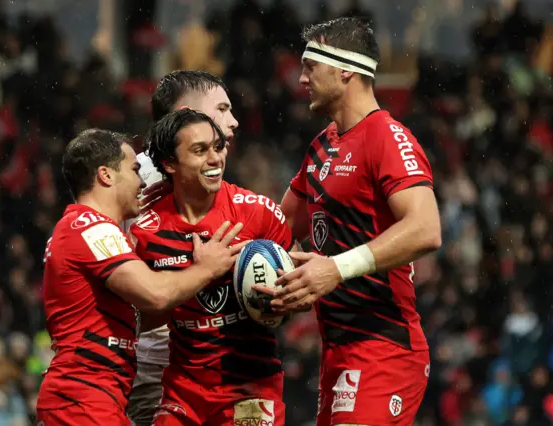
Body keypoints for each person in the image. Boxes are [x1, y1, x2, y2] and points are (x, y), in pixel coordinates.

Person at [265, 17, 441, 426]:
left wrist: (337, 268)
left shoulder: (388, 136)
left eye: (311, 66)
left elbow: (426, 229)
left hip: (385, 345)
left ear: (345, 69)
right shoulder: (321, 145)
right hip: (338, 351)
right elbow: (277, 227)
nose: (301, 76)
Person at [36, 129, 246, 426]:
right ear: (106, 175)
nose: (143, 181)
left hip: (93, 398)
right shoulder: (89, 227)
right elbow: (155, 294)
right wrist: (207, 269)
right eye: (134, 170)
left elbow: (143, 313)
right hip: (82, 399)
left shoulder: (77, 228)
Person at [130, 109, 293, 426]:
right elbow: (139, 318)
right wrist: (197, 277)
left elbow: (303, 292)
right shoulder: (146, 233)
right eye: (199, 150)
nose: (215, 159)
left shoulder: (259, 214)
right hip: (182, 392)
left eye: (218, 147)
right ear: (169, 163)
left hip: (251, 388)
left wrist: (286, 300)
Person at [127, 70, 238, 426]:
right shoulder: (136, 182)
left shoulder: (199, 178)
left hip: (202, 367)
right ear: (188, 113)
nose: (232, 122)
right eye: (222, 108)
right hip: (155, 368)